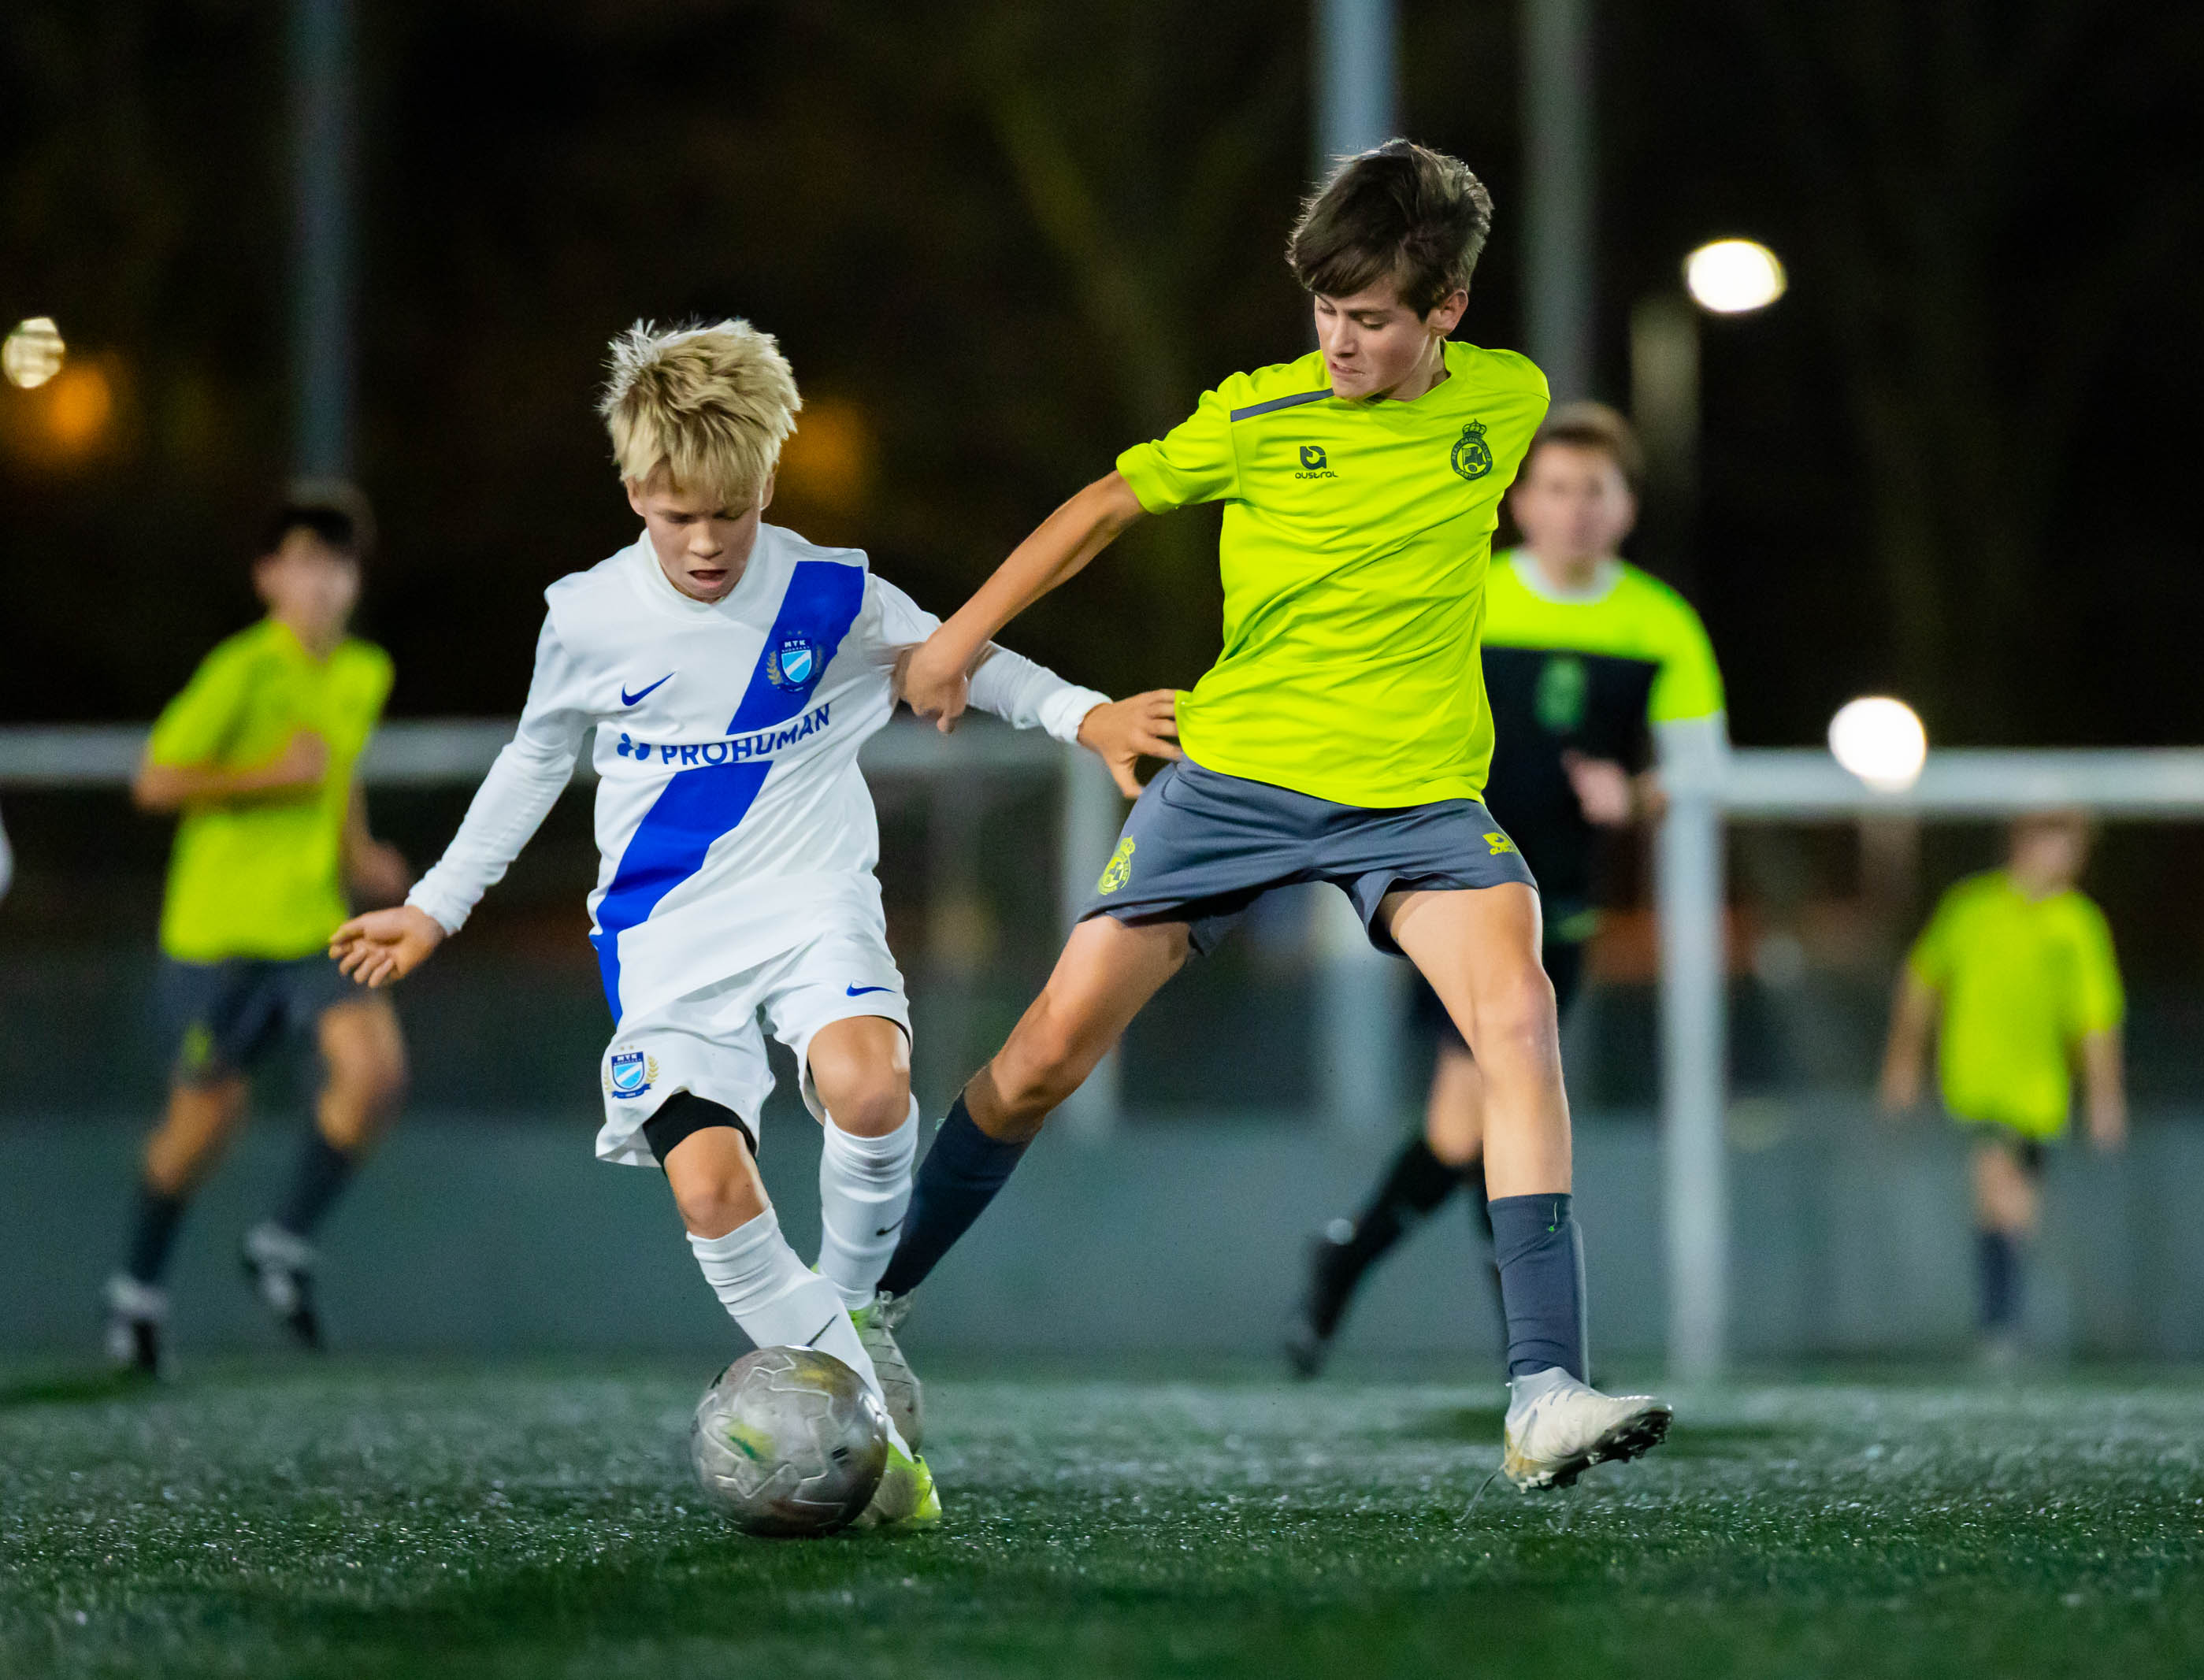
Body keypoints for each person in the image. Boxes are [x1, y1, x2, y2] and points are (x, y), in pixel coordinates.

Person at [882, 142, 1675, 1493]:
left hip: (1419, 800)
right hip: (1235, 784)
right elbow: (1107, 504)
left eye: (1370, 318)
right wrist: (957, 636)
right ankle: (863, 1311)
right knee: (1044, 1056)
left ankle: (1544, 1390)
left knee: (1518, 1017)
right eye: (1323, 310)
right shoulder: (1257, 414)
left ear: (1448, 311)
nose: (1339, 341)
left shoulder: (1511, 400)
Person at [328, 319, 1172, 1530]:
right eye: (679, 515)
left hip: (814, 904)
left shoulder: (829, 592)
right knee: (714, 1192)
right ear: (635, 492)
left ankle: (854, 1315)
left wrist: (1087, 716)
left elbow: (962, 662)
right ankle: (866, 1407)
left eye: (730, 512)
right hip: (663, 937)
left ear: (767, 486)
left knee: (872, 1089)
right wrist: (433, 905)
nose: (706, 540)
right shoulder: (587, 615)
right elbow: (534, 761)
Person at [1284, 402, 1724, 1377]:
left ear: (1624, 508)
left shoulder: (1660, 623)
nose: (1574, 509)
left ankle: (1347, 1261)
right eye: (1555, 489)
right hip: (1451, 886)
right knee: (1499, 1100)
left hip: (1560, 904)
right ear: (1520, 503)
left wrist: (1638, 792)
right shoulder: (1466, 595)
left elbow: (1700, 768)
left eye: (1594, 491)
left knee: (1467, 1125)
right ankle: (1539, 1359)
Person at [106, 486, 410, 1376]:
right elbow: (154, 781)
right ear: (268, 577)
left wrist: (358, 854)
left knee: (376, 1073)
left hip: (312, 927)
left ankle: (282, 1241)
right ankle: (136, 1290)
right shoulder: (241, 670)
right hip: (219, 938)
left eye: (339, 566)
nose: (323, 584)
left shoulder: (362, 672)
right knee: (204, 1123)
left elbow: (337, 773)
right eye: (304, 564)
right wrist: (265, 775)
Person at [1877, 810, 2128, 1358]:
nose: (2065, 858)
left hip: (2039, 1095)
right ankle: (2000, 1325)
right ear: (2023, 841)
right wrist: (1902, 1063)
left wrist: (2106, 1096)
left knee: (2017, 1208)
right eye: (2055, 843)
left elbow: (2096, 1018)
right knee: (1998, 1190)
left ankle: (2004, 1322)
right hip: (1978, 1085)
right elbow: (1921, 981)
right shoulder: (1971, 908)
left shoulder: (2078, 923)